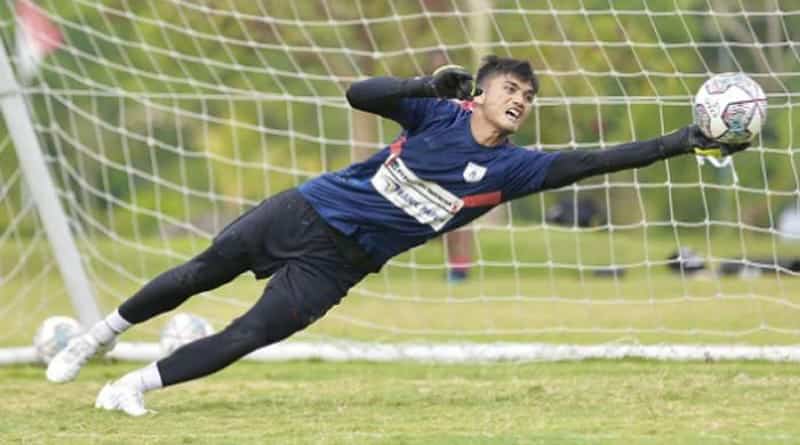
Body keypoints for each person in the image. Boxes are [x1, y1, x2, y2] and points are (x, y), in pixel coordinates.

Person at [46, 55, 748, 416]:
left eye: (530, 99)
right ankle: (96, 335)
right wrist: (423, 81)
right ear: (480, 91)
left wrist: (685, 140)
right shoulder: (435, 114)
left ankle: (131, 386)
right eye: (512, 89)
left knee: (250, 332)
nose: (522, 101)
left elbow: (601, 159)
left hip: (339, 266)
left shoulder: (519, 167)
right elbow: (360, 94)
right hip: (304, 210)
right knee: (200, 270)